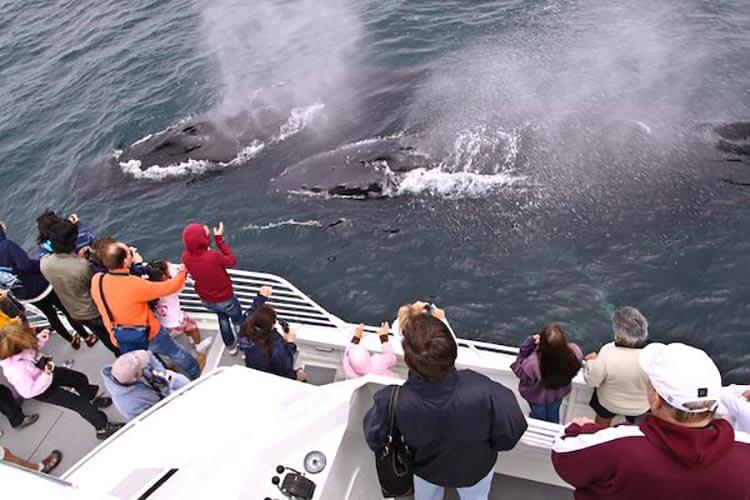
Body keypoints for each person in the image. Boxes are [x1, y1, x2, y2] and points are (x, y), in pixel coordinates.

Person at [552, 342, 750, 499]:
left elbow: (562, 453)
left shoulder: (620, 445)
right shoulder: (745, 453)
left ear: (655, 401)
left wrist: (579, 427)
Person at [364, 314, 528, 500]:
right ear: (452, 351)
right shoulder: (484, 390)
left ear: (410, 361)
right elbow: (512, 431)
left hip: (426, 471)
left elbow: (374, 439)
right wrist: (490, 447)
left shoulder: (390, 401)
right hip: (475, 469)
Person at [90, 241, 201, 380]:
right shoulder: (135, 285)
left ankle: (163, 376)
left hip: (121, 338)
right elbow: (170, 286)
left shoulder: (97, 280)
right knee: (175, 352)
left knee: (147, 364)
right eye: (129, 252)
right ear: (125, 261)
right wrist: (183, 271)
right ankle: (194, 372)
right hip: (149, 334)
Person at [0, 322, 123, 439]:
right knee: (81, 405)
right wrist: (46, 374)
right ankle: (103, 428)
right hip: (43, 390)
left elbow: (30, 353)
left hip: (46, 372)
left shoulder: (18, 351)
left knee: (78, 378)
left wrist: (41, 340)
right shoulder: (16, 370)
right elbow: (28, 392)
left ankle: (92, 397)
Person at [0, 221, 94, 349]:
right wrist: (41, 263)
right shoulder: (7, 245)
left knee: (51, 316)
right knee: (65, 309)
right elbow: (26, 265)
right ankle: (87, 337)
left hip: (23, 294)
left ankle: (71, 340)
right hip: (40, 287)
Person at [39, 219, 119, 355]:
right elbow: (96, 285)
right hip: (94, 310)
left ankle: (118, 354)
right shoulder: (83, 266)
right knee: (115, 333)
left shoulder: (44, 263)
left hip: (75, 311)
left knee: (103, 336)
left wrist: (77, 258)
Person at [182, 222, 243, 354]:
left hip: (207, 300)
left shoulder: (185, 257)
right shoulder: (213, 256)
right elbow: (231, 261)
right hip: (225, 299)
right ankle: (244, 343)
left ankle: (231, 347)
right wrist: (219, 239)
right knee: (238, 320)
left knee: (222, 318)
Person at [582, 306, 650, 427]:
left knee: (602, 416)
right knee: (634, 419)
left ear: (619, 335)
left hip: (608, 403)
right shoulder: (653, 355)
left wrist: (590, 363)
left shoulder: (607, 352)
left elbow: (591, 381)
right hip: (640, 407)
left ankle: (600, 433)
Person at [511, 323, 583, 423]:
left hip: (537, 398)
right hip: (558, 395)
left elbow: (518, 369)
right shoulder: (575, 352)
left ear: (542, 344)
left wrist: (529, 343)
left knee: (538, 419)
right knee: (554, 416)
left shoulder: (532, 364)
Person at [144, 261, 212, 359]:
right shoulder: (170, 286)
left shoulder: (148, 285)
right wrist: (182, 269)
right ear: (163, 276)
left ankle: (189, 339)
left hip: (162, 321)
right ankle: (199, 347)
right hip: (177, 319)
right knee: (193, 327)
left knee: (182, 329)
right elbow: (181, 280)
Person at [102, 350, 190, 421]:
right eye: (141, 368)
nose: (145, 366)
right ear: (135, 378)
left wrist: (160, 372)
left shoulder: (125, 364)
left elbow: (148, 355)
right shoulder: (129, 405)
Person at [239, 304, 307, 381]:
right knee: (302, 376)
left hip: (252, 367)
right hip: (271, 375)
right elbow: (285, 369)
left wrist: (261, 297)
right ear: (271, 325)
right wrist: (290, 342)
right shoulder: (276, 346)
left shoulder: (245, 328)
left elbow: (250, 312)